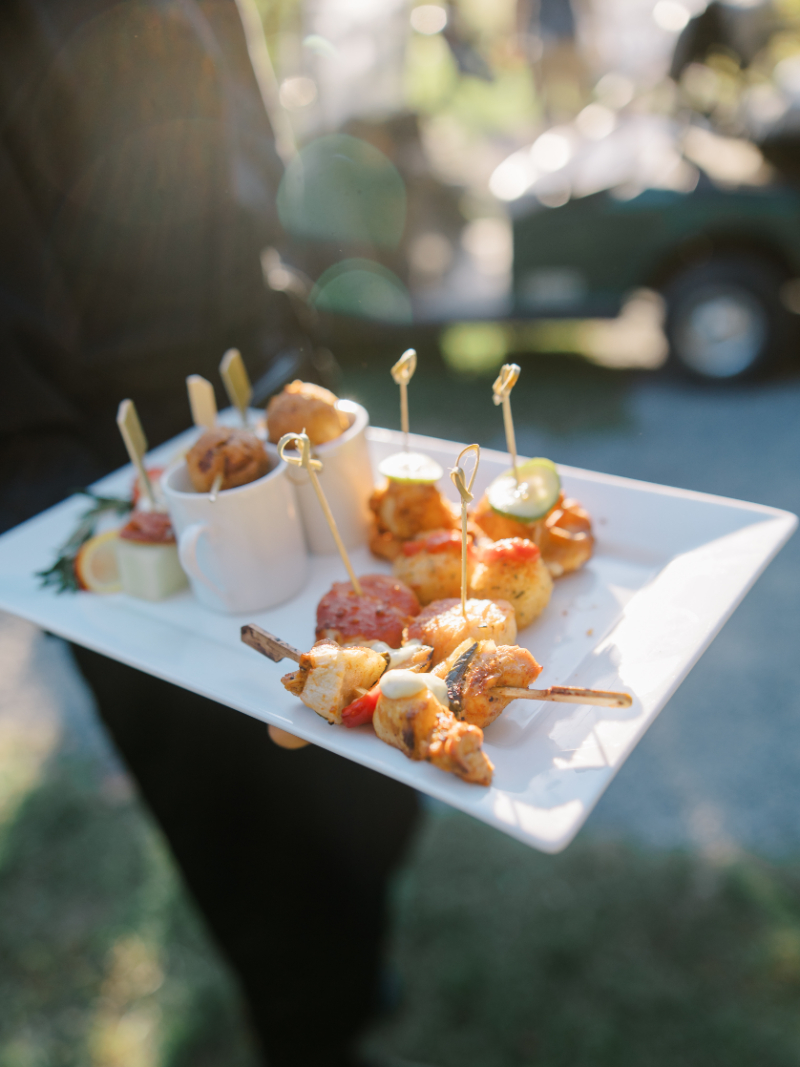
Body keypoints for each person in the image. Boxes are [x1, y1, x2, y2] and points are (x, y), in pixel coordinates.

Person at [0, 2, 419, 1064]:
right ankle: (309, 1030)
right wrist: (86, 532)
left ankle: (353, 954)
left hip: (271, 373)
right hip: (118, 454)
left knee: (374, 767)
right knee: (247, 827)